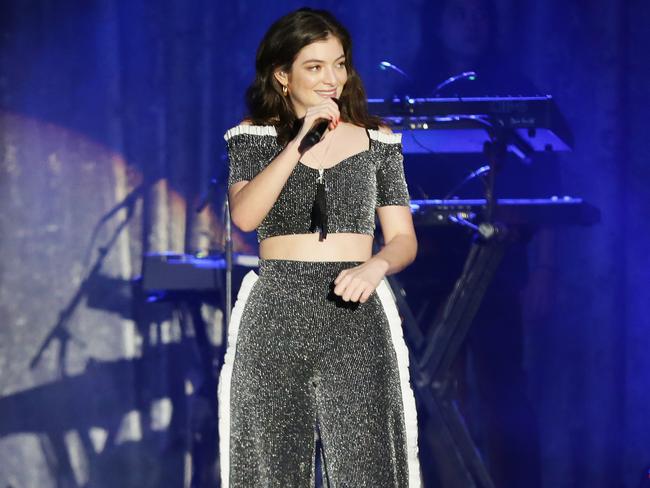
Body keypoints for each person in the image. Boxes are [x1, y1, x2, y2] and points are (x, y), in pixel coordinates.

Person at [218, 8, 421, 488]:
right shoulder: (255, 138)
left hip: (354, 312)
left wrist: (375, 267)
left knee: (368, 466)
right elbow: (245, 217)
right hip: (277, 313)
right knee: (270, 467)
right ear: (282, 75)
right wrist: (298, 142)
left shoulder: (377, 141)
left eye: (340, 64)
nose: (332, 79)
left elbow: (404, 238)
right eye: (315, 66)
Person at [395, 0, 559, 487]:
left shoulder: (516, 90)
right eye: (458, 14)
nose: (471, 24)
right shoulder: (412, 93)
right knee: (420, 386)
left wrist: (547, 270)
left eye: (479, 14)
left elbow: (548, 185)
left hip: (497, 262)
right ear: (437, 22)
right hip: (427, 263)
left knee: (503, 390)